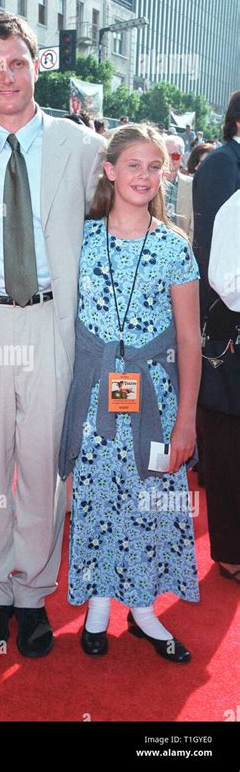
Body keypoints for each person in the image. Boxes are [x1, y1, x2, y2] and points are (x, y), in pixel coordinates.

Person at [0, 13, 105, 658]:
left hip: (49, 320)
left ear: (37, 63)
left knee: (41, 462)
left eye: (17, 62)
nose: (6, 76)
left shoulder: (82, 146)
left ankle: (35, 591)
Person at [59, 124, 201, 662]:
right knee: (95, 496)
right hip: (95, 397)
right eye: (133, 165)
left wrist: (185, 420)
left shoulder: (173, 246)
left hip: (157, 403)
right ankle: (97, 603)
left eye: (154, 166)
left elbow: (189, 338)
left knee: (151, 502)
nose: (144, 176)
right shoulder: (81, 237)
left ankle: (143, 611)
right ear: (110, 169)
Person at [193, 90, 240, 584]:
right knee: (226, 443)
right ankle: (228, 549)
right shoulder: (223, 166)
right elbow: (214, 264)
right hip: (225, 330)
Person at [164, 134, 194, 241]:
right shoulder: (150, 182)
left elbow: (193, 224)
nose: (170, 160)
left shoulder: (191, 185)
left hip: (180, 243)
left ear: (181, 158)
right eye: (166, 155)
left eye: (175, 156)